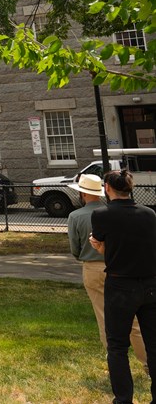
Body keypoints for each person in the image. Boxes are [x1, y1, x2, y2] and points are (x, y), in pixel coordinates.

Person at [67, 172, 148, 374]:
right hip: (123, 268)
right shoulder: (112, 212)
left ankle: (116, 365)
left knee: (104, 318)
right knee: (135, 321)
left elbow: (75, 248)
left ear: (83, 194)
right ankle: (147, 363)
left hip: (93, 268)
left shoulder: (76, 217)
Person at [88, 170, 156, 404]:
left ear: (107, 187)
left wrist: (100, 250)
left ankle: (123, 399)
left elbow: (101, 242)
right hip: (150, 284)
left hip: (120, 285)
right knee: (153, 344)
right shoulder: (149, 214)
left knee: (117, 346)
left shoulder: (101, 215)